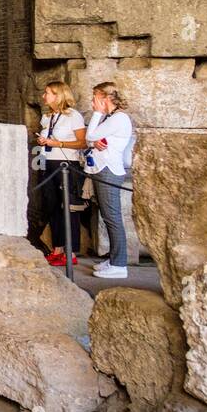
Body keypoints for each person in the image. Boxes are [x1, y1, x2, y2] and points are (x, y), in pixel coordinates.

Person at [85, 82, 133, 280]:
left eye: (95, 97)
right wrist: (94, 140)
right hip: (102, 168)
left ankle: (119, 264)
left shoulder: (119, 118)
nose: (92, 101)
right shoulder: (111, 118)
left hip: (108, 170)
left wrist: (96, 113)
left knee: (112, 217)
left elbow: (90, 134)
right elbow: (90, 140)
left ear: (105, 98)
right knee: (108, 216)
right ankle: (114, 259)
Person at [36, 80, 87, 268]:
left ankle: (71, 251)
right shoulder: (46, 117)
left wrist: (58, 144)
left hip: (66, 164)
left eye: (47, 92)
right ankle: (57, 249)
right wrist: (44, 142)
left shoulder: (73, 116)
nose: (44, 96)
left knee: (69, 207)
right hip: (47, 163)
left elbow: (82, 143)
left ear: (58, 95)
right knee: (52, 206)